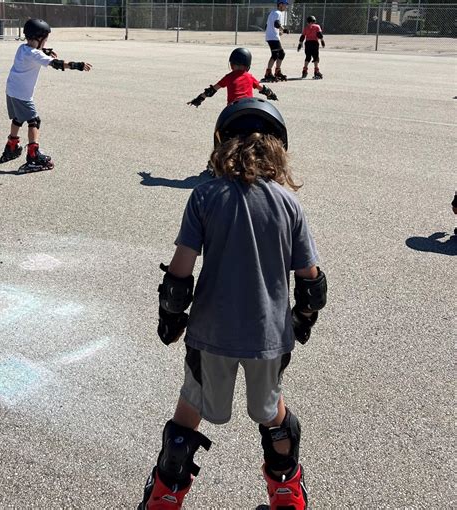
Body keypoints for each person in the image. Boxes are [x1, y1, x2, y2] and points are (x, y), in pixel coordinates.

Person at [138, 98, 327, 510]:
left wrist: (170, 316)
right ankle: (286, 497)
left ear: (221, 145)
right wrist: (302, 318)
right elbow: (311, 280)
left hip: (211, 333)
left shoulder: (205, 196)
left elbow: (181, 270)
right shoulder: (289, 203)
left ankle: (164, 500)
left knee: (189, 413)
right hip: (268, 336)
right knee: (275, 418)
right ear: (278, 148)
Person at [0, 18, 92, 172]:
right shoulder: (36, 54)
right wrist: (78, 65)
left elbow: (35, 53)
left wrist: (45, 51)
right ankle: (33, 156)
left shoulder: (22, 48)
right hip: (22, 95)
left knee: (18, 118)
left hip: (11, 91)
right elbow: (55, 63)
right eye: (45, 39)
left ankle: (11, 146)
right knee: (34, 121)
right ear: (39, 38)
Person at [187, 48, 278, 108]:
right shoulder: (250, 77)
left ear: (231, 65)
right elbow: (263, 89)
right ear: (247, 66)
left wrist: (199, 99)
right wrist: (271, 95)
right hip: (249, 106)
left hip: (233, 107)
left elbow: (212, 90)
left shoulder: (228, 77)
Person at [264, 0, 290, 82]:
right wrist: (284, 29)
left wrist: (279, 33)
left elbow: (268, 26)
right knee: (275, 55)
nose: (286, 7)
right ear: (280, 5)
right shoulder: (278, 13)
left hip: (272, 37)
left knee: (281, 54)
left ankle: (277, 71)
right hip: (273, 38)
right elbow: (276, 24)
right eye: (285, 5)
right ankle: (268, 73)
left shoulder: (272, 12)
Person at [297, 16, 325, 80]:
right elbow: (319, 35)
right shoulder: (317, 26)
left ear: (307, 22)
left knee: (308, 57)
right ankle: (316, 71)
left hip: (308, 44)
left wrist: (300, 45)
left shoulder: (306, 28)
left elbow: (302, 37)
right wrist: (322, 41)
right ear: (314, 21)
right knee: (316, 57)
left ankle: (304, 70)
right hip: (314, 43)